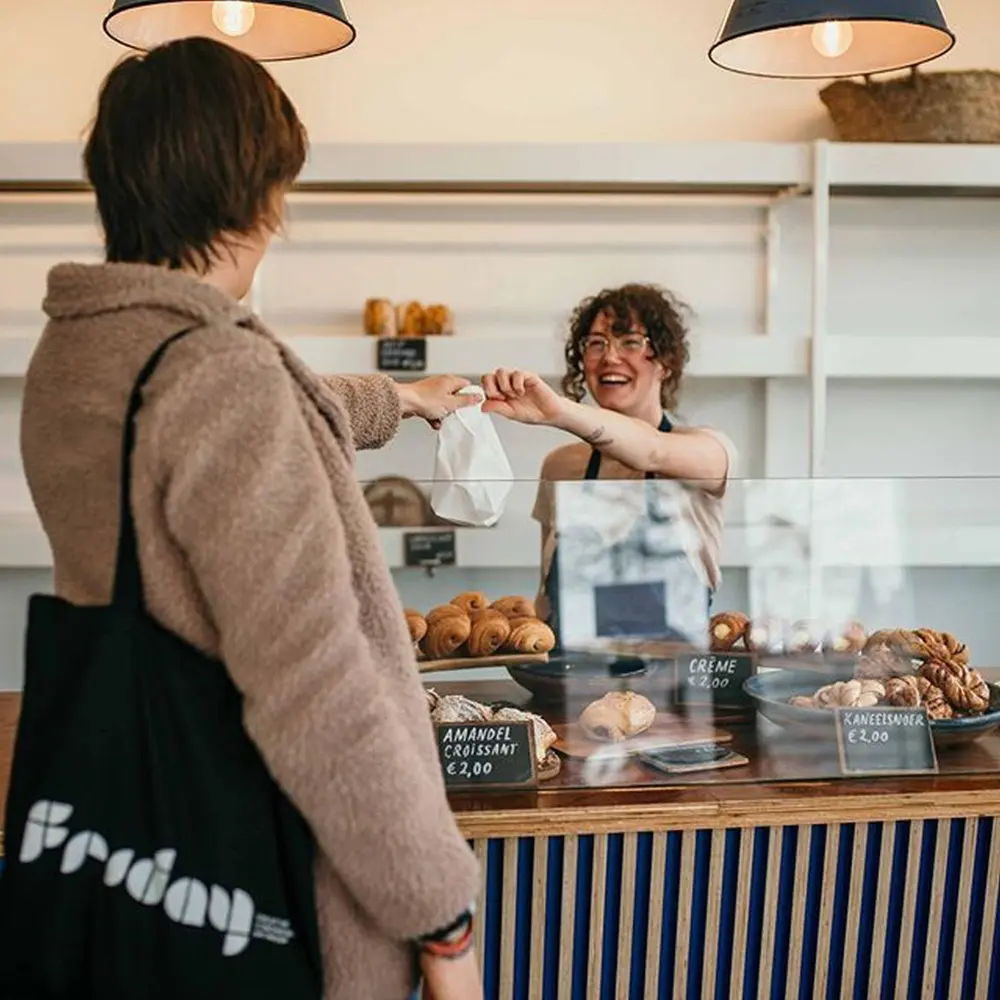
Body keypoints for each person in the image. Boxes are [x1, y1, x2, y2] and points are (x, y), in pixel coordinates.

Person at [20, 38, 481, 1000]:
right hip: (264, 868)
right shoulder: (221, 370)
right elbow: (313, 685)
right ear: (254, 190)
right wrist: (440, 915)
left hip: (137, 834)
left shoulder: (84, 349)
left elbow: (242, 414)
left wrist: (402, 399)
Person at [481, 283, 735, 641]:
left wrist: (558, 411)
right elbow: (547, 596)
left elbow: (652, 451)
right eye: (596, 343)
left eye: (630, 342)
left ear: (665, 362)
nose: (610, 357)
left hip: (671, 671)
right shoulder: (560, 465)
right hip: (575, 669)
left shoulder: (708, 449)